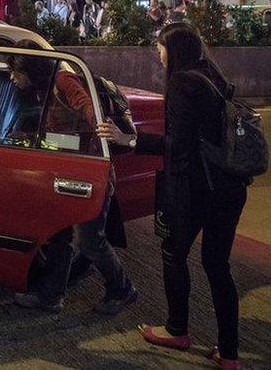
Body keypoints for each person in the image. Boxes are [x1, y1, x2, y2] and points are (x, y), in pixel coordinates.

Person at [97, 24, 247, 370]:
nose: (157, 52)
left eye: (160, 46)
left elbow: (179, 147)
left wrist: (130, 139)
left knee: (173, 253)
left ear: (173, 50)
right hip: (228, 187)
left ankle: (177, 329)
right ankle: (230, 354)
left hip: (196, 188)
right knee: (217, 266)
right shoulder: (211, 74)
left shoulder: (182, 83)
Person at [9, 40, 137, 315]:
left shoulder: (62, 81)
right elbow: (60, 133)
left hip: (90, 169)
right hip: (66, 167)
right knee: (59, 235)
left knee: (90, 240)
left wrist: (103, 130)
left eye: (14, 71)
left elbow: (86, 105)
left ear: (28, 68)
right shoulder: (39, 91)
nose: (11, 77)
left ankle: (122, 288)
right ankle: (51, 295)